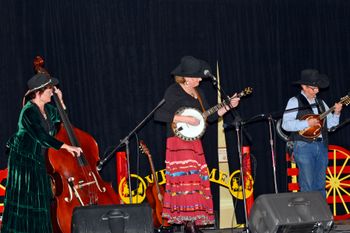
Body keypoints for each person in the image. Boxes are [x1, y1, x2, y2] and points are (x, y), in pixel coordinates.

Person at [154, 56, 240, 233]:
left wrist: (228, 106)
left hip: (194, 143)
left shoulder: (199, 93)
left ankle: (191, 223)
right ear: (185, 77)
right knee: (186, 182)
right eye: (196, 77)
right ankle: (189, 225)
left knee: (196, 182)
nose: (200, 79)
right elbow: (159, 115)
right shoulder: (174, 91)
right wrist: (185, 118)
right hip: (178, 142)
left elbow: (211, 116)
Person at [1, 73, 82, 233]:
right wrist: (67, 147)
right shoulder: (28, 112)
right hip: (23, 159)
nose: (52, 92)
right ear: (38, 92)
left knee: (39, 199)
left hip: (38, 159)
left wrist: (61, 101)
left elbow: (62, 120)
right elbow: (42, 136)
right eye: (50, 90)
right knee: (27, 200)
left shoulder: (48, 109)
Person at [282, 69, 343, 198]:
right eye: (313, 88)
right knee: (307, 185)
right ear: (303, 87)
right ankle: (309, 217)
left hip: (321, 146)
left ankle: (322, 217)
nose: (317, 91)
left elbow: (331, 125)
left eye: (317, 88)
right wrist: (306, 124)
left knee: (320, 184)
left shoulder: (321, 103)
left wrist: (336, 113)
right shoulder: (294, 101)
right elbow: (285, 124)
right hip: (303, 146)